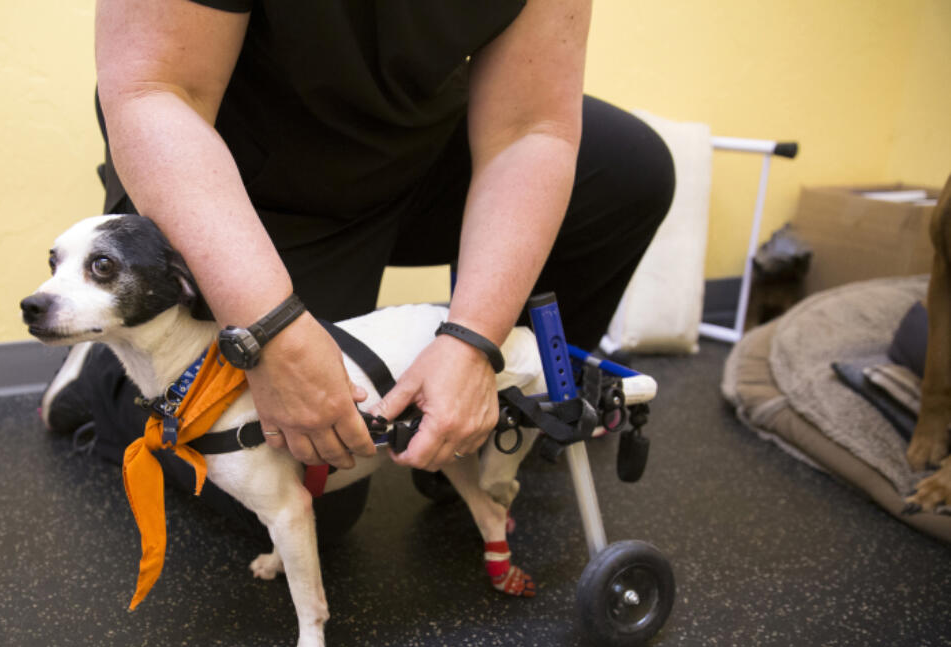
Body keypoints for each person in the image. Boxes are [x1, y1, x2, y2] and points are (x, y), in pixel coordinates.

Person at [44, 0, 675, 532]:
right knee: (315, 487)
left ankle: (484, 440)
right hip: (247, 180)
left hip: (410, 145)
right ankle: (114, 373)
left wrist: (474, 342)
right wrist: (271, 335)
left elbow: (529, 129)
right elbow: (156, 90)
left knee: (625, 171)